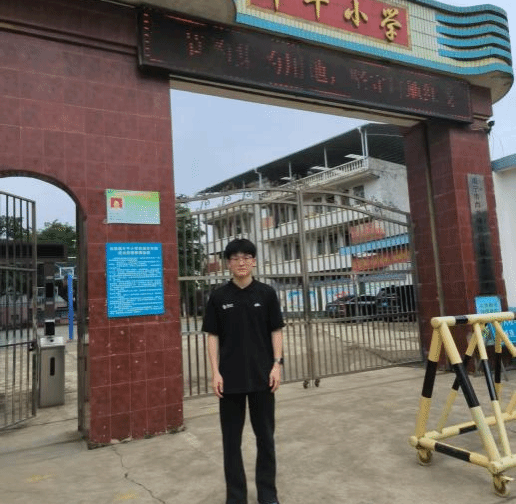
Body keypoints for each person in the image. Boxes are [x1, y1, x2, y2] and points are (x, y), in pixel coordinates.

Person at [202, 238, 285, 504]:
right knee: (231, 442)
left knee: (266, 439)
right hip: (229, 380)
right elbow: (212, 336)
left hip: (263, 378)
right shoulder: (218, 297)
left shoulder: (266, 293)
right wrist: (215, 372)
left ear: (254, 261)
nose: (241, 262)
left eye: (246, 257)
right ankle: (236, 497)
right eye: (235, 258)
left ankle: (268, 495)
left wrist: (277, 365)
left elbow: (276, 330)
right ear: (228, 263)